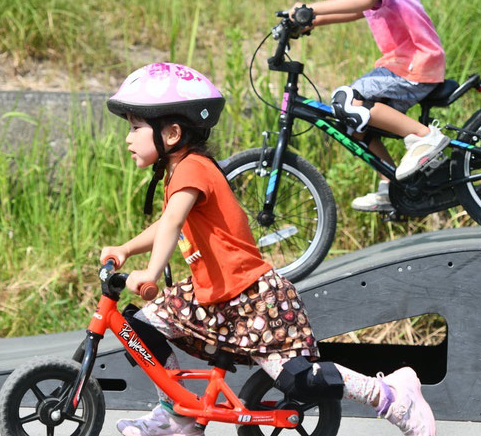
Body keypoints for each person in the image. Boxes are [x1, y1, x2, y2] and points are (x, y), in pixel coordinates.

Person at [100, 61, 436, 436]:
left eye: (135, 128)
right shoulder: (182, 171)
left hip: (253, 298)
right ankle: (176, 414)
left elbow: (174, 223)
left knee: (301, 382)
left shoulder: (192, 168)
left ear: (173, 133)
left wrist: (149, 272)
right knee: (139, 328)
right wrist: (127, 249)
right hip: (211, 296)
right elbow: (168, 224)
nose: (128, 138)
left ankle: (390, 393)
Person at [291, 0, 449, 213]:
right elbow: (357, 9)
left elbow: (365, 0)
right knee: (353, 122)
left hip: (415, 62)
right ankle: (394, 187)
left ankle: (424, 137)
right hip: (401, 64)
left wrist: (311, 7)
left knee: (346, 101)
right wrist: (314, 21)